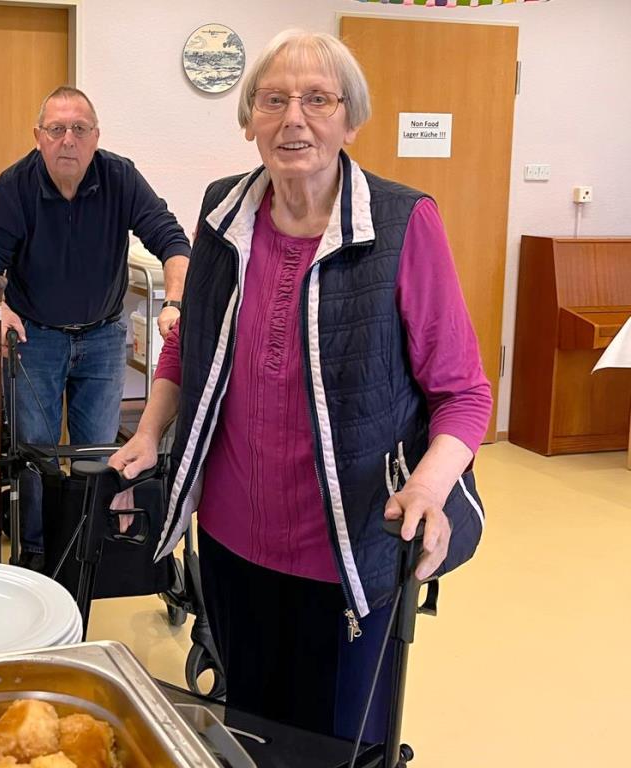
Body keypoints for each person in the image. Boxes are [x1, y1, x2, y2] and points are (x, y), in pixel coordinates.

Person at [109, 30, 492, 743]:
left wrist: (430, 488)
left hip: (346, 548)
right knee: (249, 729)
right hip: (228, 540)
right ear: (249, 119)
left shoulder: (404, 222)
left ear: (351, 120)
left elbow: (464, 393)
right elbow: (189, 346)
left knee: (336, 742)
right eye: (274, 100)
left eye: (319, 99)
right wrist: (150, 431)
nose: (294, 119)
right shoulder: (224, 210)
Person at [0, 86, 191, 572]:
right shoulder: (15, 186)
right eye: (57, 129)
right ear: (39, 137)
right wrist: (0, 316)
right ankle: (40, 554)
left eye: (80, 129)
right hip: (35, 337)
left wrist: (173, 302)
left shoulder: (120, 177)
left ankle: (89, 547)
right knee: (36, 456)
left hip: (104, 336)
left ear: (96, 136)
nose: (68, 140)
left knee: (98, 450)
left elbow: (173, 240)